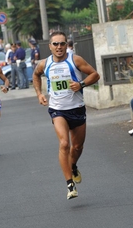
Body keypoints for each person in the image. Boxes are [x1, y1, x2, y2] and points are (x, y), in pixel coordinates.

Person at [32, 31, 100, 200]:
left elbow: (95, 74)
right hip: (57, 110)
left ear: (66, 45)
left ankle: (74, 165)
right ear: (50, 46)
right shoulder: (44, 64)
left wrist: (81, 84)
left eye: (62, 43)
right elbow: (35, 75)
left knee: (77, 148)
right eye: (55, 44)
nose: (59, 47)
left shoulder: (75, 60)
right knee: (64, 144)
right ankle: (70, 184)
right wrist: (39, 94)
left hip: (77, 108)